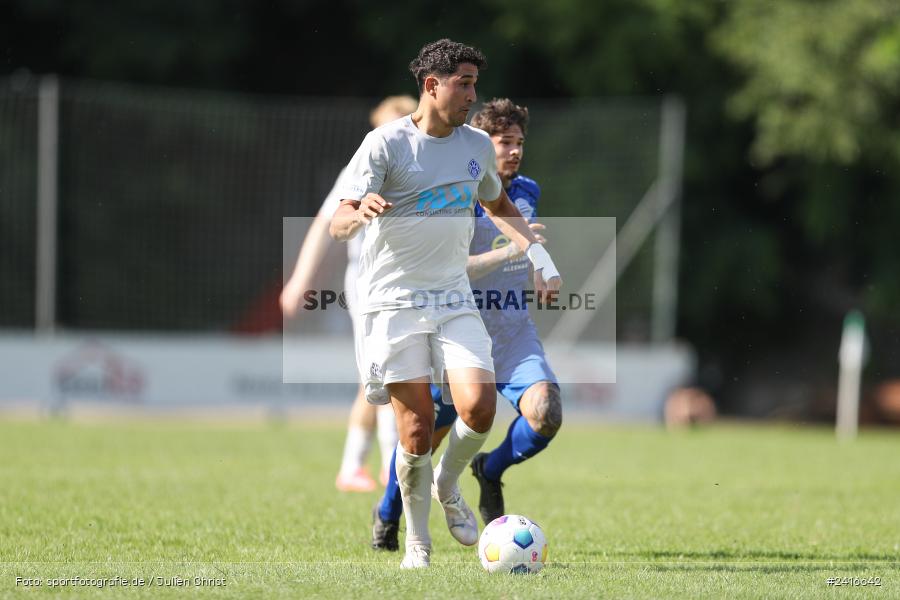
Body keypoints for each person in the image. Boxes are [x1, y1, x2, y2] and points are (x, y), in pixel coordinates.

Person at [329, 40, 561, 568]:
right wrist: (360, 211)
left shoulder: (475, 144)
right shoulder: (385, 144)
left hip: (453, 296)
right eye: (464, 83)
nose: (472, 93)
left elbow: (497, 202)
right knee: (414, 429)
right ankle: (417, 542)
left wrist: (540, 258)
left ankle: (448, 481)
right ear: (432, 86)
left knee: (478, 409)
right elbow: (338, 221)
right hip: (393, 301)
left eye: (475, 82)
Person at [371, 98, 563, 552]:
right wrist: (512, 252)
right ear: (481, 145)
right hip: (458, 331)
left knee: (546, 414)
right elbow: (453, 267)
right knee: (420, 441)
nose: (513, 151)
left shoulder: (528, 191)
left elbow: (525, 240)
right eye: (503, 143)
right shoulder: (457, 195)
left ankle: (489, 470)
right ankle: (387, 515)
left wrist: (539, 265)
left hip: (514, 333)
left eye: (518, 143)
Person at [280, 96, 417, 492]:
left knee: (379, 374)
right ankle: (392, 470)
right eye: (385, 127)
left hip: (414, 282)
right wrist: (298, 281)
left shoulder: (424, 165)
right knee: (390, 372)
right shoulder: (361, 166)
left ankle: (355, 466)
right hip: (369, 282)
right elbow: (328, 223)